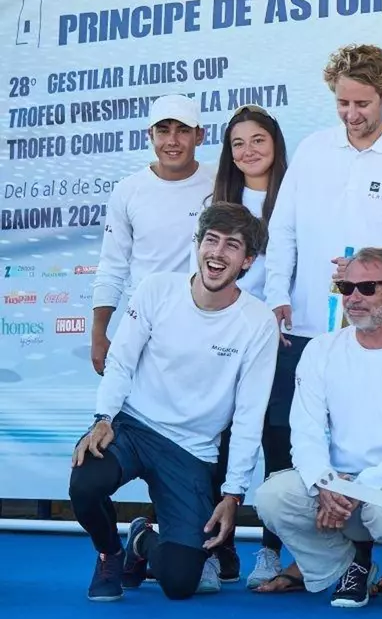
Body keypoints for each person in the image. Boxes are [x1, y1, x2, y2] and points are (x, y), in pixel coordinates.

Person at [257, 44, 382, 593]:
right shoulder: (313, 150)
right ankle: (336, 561)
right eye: (342, 103)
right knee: (295, 436)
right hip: (310, 323)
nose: (351, 114)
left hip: (376, 322)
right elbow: (283, 229)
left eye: (362, 103)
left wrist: (372, 269)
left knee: (377, 431)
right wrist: (277, 292)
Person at [67, 202, 278, 602]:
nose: (218, 253)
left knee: (180, 582)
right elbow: (121, 362)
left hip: (192, 451)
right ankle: (110, 553)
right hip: (133, 427)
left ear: (248, 260)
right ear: (198, 245)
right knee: (85, 481)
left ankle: (141, 540)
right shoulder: (156, 289)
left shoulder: (259, 322)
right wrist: (103, 418)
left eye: (232, 245)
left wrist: (232, 495)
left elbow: (249, 414)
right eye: (211, 240)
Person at [254, 247, 382, 608]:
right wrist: (325, 481)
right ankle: (348, 567)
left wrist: (363, 486)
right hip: (337, 483)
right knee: (272, 497)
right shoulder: (321, 349)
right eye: (346, 288)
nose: (353, 298)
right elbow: (306, 430)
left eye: (367, 288)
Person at [205, 103, 290, 587]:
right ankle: (217, 550)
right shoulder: (217, 204)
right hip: (225, 339)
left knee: (277, 443)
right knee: (218, 445)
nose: (248, 151)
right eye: (237, 143)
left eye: (258, 139)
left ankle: (272, 552)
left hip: (280, 339)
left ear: (275, 143)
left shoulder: (296, 195)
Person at [91, 94, 216, 376]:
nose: (172, 141)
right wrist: (98, 334)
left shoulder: (219, 183)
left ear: (200, 136)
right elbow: (112, 265)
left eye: (182, 130)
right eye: (163, 131)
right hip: (144, 327)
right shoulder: (128, 190)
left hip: (207, 324)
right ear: (150, 135)